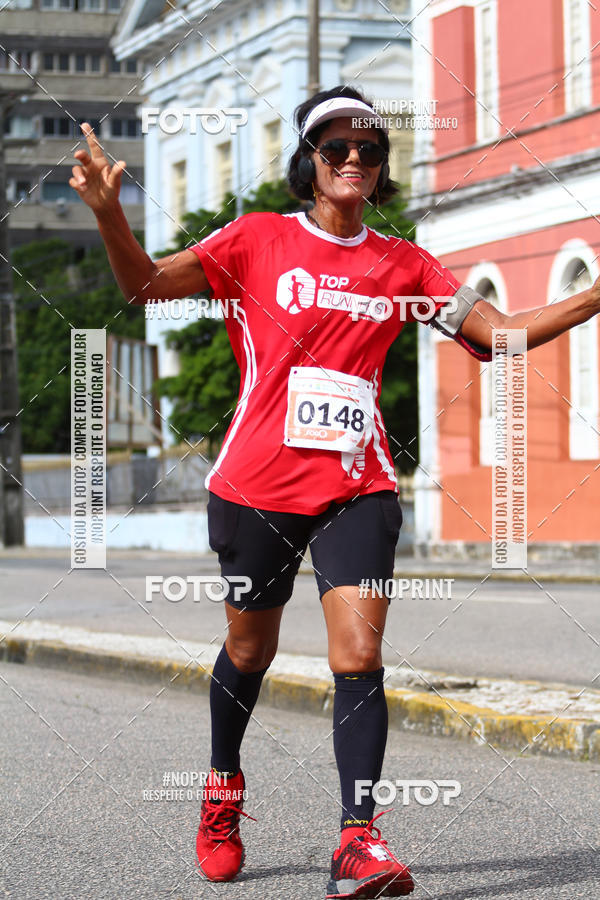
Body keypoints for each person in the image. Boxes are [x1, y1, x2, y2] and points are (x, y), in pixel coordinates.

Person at [71, 85, 600, 899]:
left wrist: (596, 293)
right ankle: (221, 790)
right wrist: (111, 213)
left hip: (359, 486)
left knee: (359, 654)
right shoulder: (255, 241)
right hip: (255, 485)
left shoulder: (405, 264)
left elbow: (502, 337)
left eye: (370, 149)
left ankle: (358, 839)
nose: (354, 159)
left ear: (382, 167)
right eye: (336, 149)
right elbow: (144, 290)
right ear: (309, 165)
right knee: (250, 651)